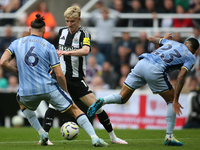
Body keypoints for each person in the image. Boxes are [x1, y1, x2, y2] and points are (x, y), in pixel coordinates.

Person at [0, 13, 109, 147]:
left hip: (27, 90)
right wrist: (66, 91)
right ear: (44, 31)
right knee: (75, 110)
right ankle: (94, 138)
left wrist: (17, 71)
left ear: (29, 30)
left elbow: (3, 62)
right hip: (48, 88)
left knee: (22, 104)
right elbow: (59, 74)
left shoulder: (16, 43)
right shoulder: (49, 46)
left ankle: (42, 133)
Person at [87, 33, 200, 146]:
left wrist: (163, 39)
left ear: (185, 43)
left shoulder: (172, 43)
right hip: (156, 69)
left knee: (122, 97)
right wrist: (176, 98)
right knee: (171, 101)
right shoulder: (190, 57)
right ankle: (169, 137)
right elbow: (180, 77)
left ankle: (103, 100)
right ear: (195, 51)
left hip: (142, 63)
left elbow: (150, 38)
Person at [43, 5, 127, 145]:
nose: (69, 24)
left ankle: (113, 138)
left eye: (72, 21)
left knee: (97, 106)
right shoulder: (62, 32)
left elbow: (86, 50)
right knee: (52, 106)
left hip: (76, 79)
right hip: (61, 76)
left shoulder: (84, 33)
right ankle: (44, 138)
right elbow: (58, 53)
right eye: (67, 21)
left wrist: (67, 52)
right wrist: (54, 65)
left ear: (79, 20)